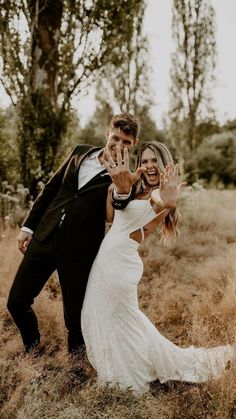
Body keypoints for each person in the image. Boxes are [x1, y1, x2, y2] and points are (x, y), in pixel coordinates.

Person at [81, 140, 235, 394]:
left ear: (163, 164)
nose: (149, 165)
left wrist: (168, 198)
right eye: (144, 161)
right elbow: (110, 218)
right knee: (111, 318)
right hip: (106, 262)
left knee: (117, 319)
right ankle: (121, 369)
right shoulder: (133, 188)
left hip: (119, 266)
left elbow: (162, 201)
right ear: (139, 166)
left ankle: (127, 378)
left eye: (154, 160)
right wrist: (116, 189)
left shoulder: (157, 193)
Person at [7, 113, 144, 355]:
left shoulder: (124, 178)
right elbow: (50, 189)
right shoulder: (80, 152)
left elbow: (118, 209)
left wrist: (122, 189)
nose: (119, 145)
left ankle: (76, 369)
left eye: (126, 142)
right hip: (44, 237)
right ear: (107, 134)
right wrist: (28, 227)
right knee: (16, 302)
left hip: (80, 252)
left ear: (133, 145)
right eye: (116, 138)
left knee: (76, 318)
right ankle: (33, 346)